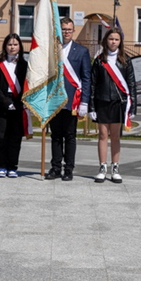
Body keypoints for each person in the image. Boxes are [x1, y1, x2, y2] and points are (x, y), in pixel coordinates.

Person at [90, 27, 136, 183]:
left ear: (120, 41)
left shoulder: (125, 60)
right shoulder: (99, 60)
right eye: (111, 39)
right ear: (105, 41)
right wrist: (91, 107)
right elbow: (92, 84)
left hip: (118, 103)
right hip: (102, 101)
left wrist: (133, 107)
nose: (113, 42)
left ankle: (115, 167)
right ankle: (102, 167)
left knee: (115, 136)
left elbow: (131, 84)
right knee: (103, 135)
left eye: (116, 39)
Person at [48, 16, 92, 180]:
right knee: (56, 136)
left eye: (69, 29)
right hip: (55, 100)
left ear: (73, 31)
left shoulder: (81, 51)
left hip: (72, 101)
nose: (66, 32)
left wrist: (85, 102)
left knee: (70, 136)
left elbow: (86, 78)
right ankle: (55, 167)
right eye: (63, 29)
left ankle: (69, 169)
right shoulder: (52, 50)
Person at [0, 33, 29, 177]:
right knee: (2, 137)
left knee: (15, 137)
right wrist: (5, 102)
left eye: (15, 44)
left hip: (18, 102)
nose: (12, 47)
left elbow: (28, 85)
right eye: (9, 44)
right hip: (2, 103)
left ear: (20, 47)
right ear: (5, 46)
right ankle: (1, 166)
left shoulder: (25, 65)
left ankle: (12, 167)